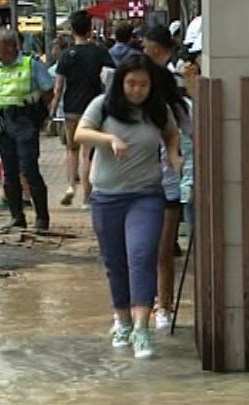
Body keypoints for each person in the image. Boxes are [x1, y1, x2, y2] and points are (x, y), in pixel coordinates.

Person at [74, 53, 182, 359]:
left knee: (142, 255)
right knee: (115, 261)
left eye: (143, 84)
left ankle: (141, 328)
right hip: (107, 197)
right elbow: (80, 133)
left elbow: (171, 133)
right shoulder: (103, 105)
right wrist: (108, 139)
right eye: (131, 83)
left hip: (146, 195)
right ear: (121, 83)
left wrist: (173, 155)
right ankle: (121, 320)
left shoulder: (157, 109)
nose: (137, 90)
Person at [142, 24, 193, 332]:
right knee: (139, 250)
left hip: (166, 186)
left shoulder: (176, 109)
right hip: (134, 186)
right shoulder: (126, 109)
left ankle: (164, 306)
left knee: (162, 249)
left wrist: (186, 179)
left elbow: (187, 140)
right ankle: (138, 308)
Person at [0, 27, 54, 232]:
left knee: (30, 170)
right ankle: (17, 217)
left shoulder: (31, 65)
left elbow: (48, 90)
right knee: (10, 173)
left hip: (24, 123)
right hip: (4, 123)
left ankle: (42, 218)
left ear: (12, 46)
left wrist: (37, 113)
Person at [51, 10, 114, 210]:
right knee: (88, 152)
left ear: (72, 29)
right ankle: (87, 196)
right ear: (90, 29)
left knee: (71, 149)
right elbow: (110, 77)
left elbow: (59, 87)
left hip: (70, 109)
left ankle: (71, 187)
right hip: (94, 108)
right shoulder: (100, 52)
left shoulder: (66, 56)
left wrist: (52, 111)